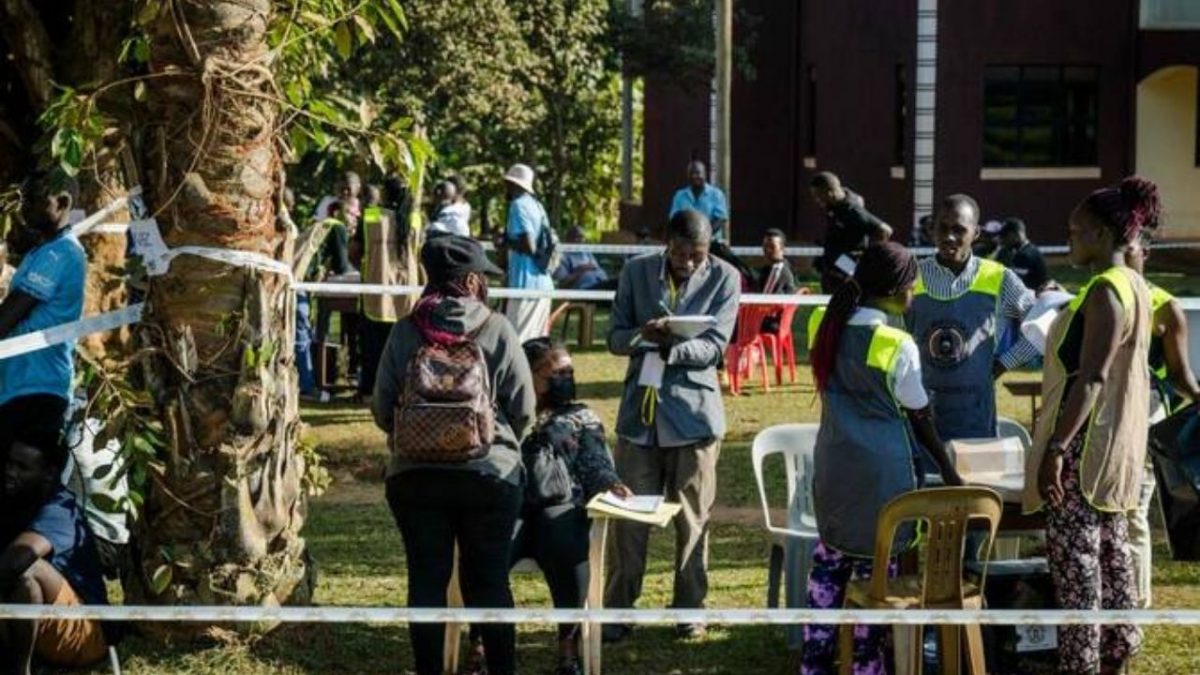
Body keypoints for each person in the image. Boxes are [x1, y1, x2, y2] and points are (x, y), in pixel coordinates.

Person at [372, 235, 535, 675]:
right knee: (489, 580)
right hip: (489, 478)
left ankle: (429, 669)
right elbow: (525, 410)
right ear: (469, 281)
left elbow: (382, 409)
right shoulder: (498, 328)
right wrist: (491, 445)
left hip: (414, 479)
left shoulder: (407, 330)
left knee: (426, 578)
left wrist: (420, 438)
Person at [803, 242, 963, 675]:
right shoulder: (897, 343)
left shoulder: (823, 321)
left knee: (830, 562)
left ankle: (814, 662)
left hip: (834, 465)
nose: (915, 293)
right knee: (878, 579)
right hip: (882, 477)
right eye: (912, 285)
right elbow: (919, 414)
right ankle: (866, 665)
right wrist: (947, 465)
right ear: (896, 290)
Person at [1024, 176, 1160, 675]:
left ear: (1103, 235)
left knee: (1078, 570)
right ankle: (1115, 658)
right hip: (1116, 450)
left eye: (1076, 232)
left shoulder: (1106, 291)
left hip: (1084, 452)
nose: (1069, 241)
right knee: (1112, 557)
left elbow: (1094, 378)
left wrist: (1056, 449)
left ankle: (1083, 665)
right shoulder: (1137, 286)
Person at [604, 209, 740, 642]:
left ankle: (690, 609)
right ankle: (618, 612)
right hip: (639, 420)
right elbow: (614, 337)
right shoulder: (636, 271)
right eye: (681, 253)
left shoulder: (726, 278)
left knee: (693, 520)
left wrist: (672, 347)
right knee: (629, 519)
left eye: (697, 255)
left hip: (694, 417)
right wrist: (643, 337)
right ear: (667, 242)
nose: (689, 263)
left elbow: (715, 346)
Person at [467, 338, 630, 675]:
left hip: (559, 505)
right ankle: (482, 642)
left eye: (569, 371)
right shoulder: (502, 412)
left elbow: (596, 463)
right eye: (557, 372)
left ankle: (568, 646)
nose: (566, 378)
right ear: (528, 375)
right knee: (484, 556)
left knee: (566, 545)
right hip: (510, 505)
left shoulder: (581, 416)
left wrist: (609, 483)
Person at [906, 194, 1038, 445]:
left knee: (973, 480)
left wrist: (1003, 364)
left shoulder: (1000, 278)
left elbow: (1040, 328)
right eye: (942, 228)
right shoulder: (913, 276)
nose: (949, 237)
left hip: (975, 416)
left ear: (976, 233)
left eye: (959, 230)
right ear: (932, 229)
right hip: (922, 416)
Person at [1123, 232, 1200, 609]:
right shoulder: (1099, 293)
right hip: (1103, 420)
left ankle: (1136, 602)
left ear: (1145, 253)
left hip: (1145, 417)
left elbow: (1180, 374)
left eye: (1130, 247)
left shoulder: (1164, 306)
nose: (1122, 254)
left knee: (1135, 509)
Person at [0, 426, 109, 674]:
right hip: (43, 621)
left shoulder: (60, 510)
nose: (10, 472)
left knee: (27, 573)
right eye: (10, 463)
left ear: (49, 474)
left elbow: (15, 562)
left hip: (87, 634)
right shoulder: (20, 500)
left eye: (22, 467)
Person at [0, 170, 87, 463]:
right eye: (24, 200)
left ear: (62, 204)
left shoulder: (61, 254)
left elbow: (8, 317)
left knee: (19, 483)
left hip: (38, 388)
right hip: (20, 384)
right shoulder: (41, 252)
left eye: (35, 200)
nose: (24, 209)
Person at [355, 176, 422, 401]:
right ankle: (404, 391)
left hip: (376, 290)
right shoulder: (416, 219)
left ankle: (369, 392)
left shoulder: (371, 216)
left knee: (373, 346)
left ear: (384, 193)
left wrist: (369, 267)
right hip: (407, 293)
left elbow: (354, 252)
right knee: (404, 347)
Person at [809, 171, 892, 293]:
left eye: (818, 195)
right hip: (835, 265)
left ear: (829, 193)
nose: (816, 200)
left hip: (848, 266)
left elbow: (885, 230)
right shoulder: (833, 204)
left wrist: (872, 257)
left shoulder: (853, 211)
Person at [501, 163, 554, 342]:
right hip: (543, 284)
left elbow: (529, 246)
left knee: (517, 344)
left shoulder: (518, 205)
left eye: (507, 183)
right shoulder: (537, 206)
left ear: (514, 184)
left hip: (525, 285)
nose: (505, 187)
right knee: (536, 346)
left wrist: (504, 241)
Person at [669, 161, 729, 242]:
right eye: (691, 173)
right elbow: (674, 218)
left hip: (711, 241)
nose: (694, 176)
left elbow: (720, 219)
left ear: (705, 174)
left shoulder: (716, 194)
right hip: (686, 242)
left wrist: (703, 235)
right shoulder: (680, 196)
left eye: (698, 173)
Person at [757, 228, 797, 334]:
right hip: (779, 322)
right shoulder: (785, 265)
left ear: (782, 249)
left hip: (771, 322)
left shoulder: (778, 270)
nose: (767, 250)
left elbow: (764, 301)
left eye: (772, 247)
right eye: (765, 246)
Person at [995, 217, 1048, 291]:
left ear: (1016, 234)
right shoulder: (1032, 250)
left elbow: (1014, 287)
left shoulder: (1024, 255)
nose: (1003, 240)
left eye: (1005, 236)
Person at [554, 226, 611, 291]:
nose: (580, 240)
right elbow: (562, 284)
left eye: (582, 237)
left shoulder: (586, 252)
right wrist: (579, 271)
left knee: (617, 284)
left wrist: (588, 268)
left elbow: (595, 267)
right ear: (568, 239)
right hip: (585, 290)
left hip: (601, 283)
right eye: (576, 237)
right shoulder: (563, 256)